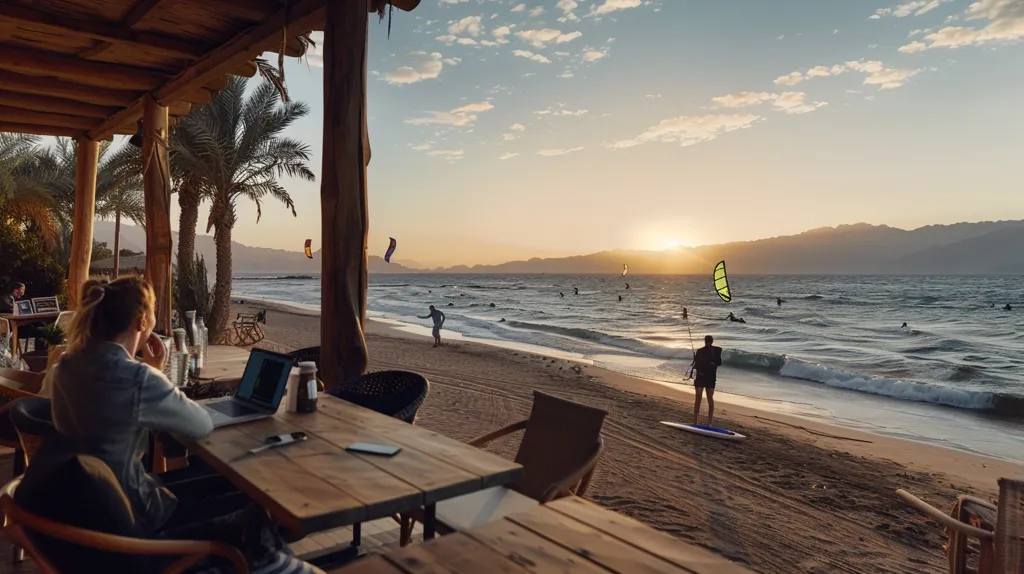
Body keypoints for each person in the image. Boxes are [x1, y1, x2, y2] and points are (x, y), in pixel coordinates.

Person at [41, 276, 316, 572]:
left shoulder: (67, 365)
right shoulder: (136, 378)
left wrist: (150, 374)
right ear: (141, 321)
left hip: (94, 508)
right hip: (141, 519)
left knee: (218, 479)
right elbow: (199, 426)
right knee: (258, 504)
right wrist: (155, 373)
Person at [692, 335, 722, 426]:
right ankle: (709, 423)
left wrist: (696, 360)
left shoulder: (700, 351)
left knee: (698, 399)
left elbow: (696, 366)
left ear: (705, 341)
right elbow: (719, 363)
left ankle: (695, 422)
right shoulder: (717, 351)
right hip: (710, 378)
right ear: (712, 341)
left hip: (701, 378)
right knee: (710, 399)